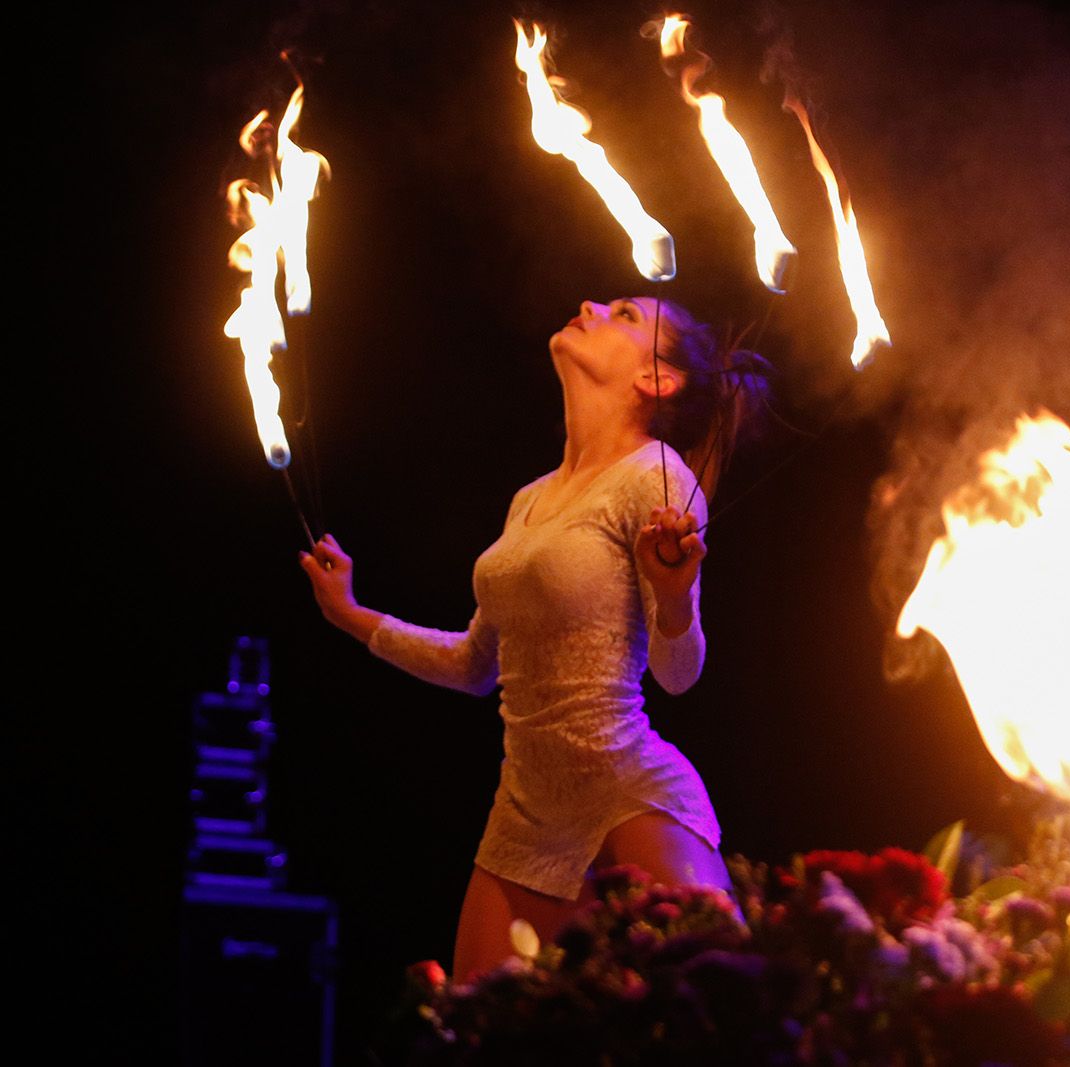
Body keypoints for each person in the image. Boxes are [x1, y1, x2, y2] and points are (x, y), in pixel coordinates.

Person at [298, 296, 768, 980]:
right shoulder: (530, 499)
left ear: (657, 379)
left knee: (706, 1020)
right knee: (478, 1039)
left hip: (625, 792)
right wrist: (350, 613)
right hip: (522, 813)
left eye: (626, 316)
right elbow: (472, 664)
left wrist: (673, 597)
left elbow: (677, 672)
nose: (591, 305)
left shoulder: (659, 479)